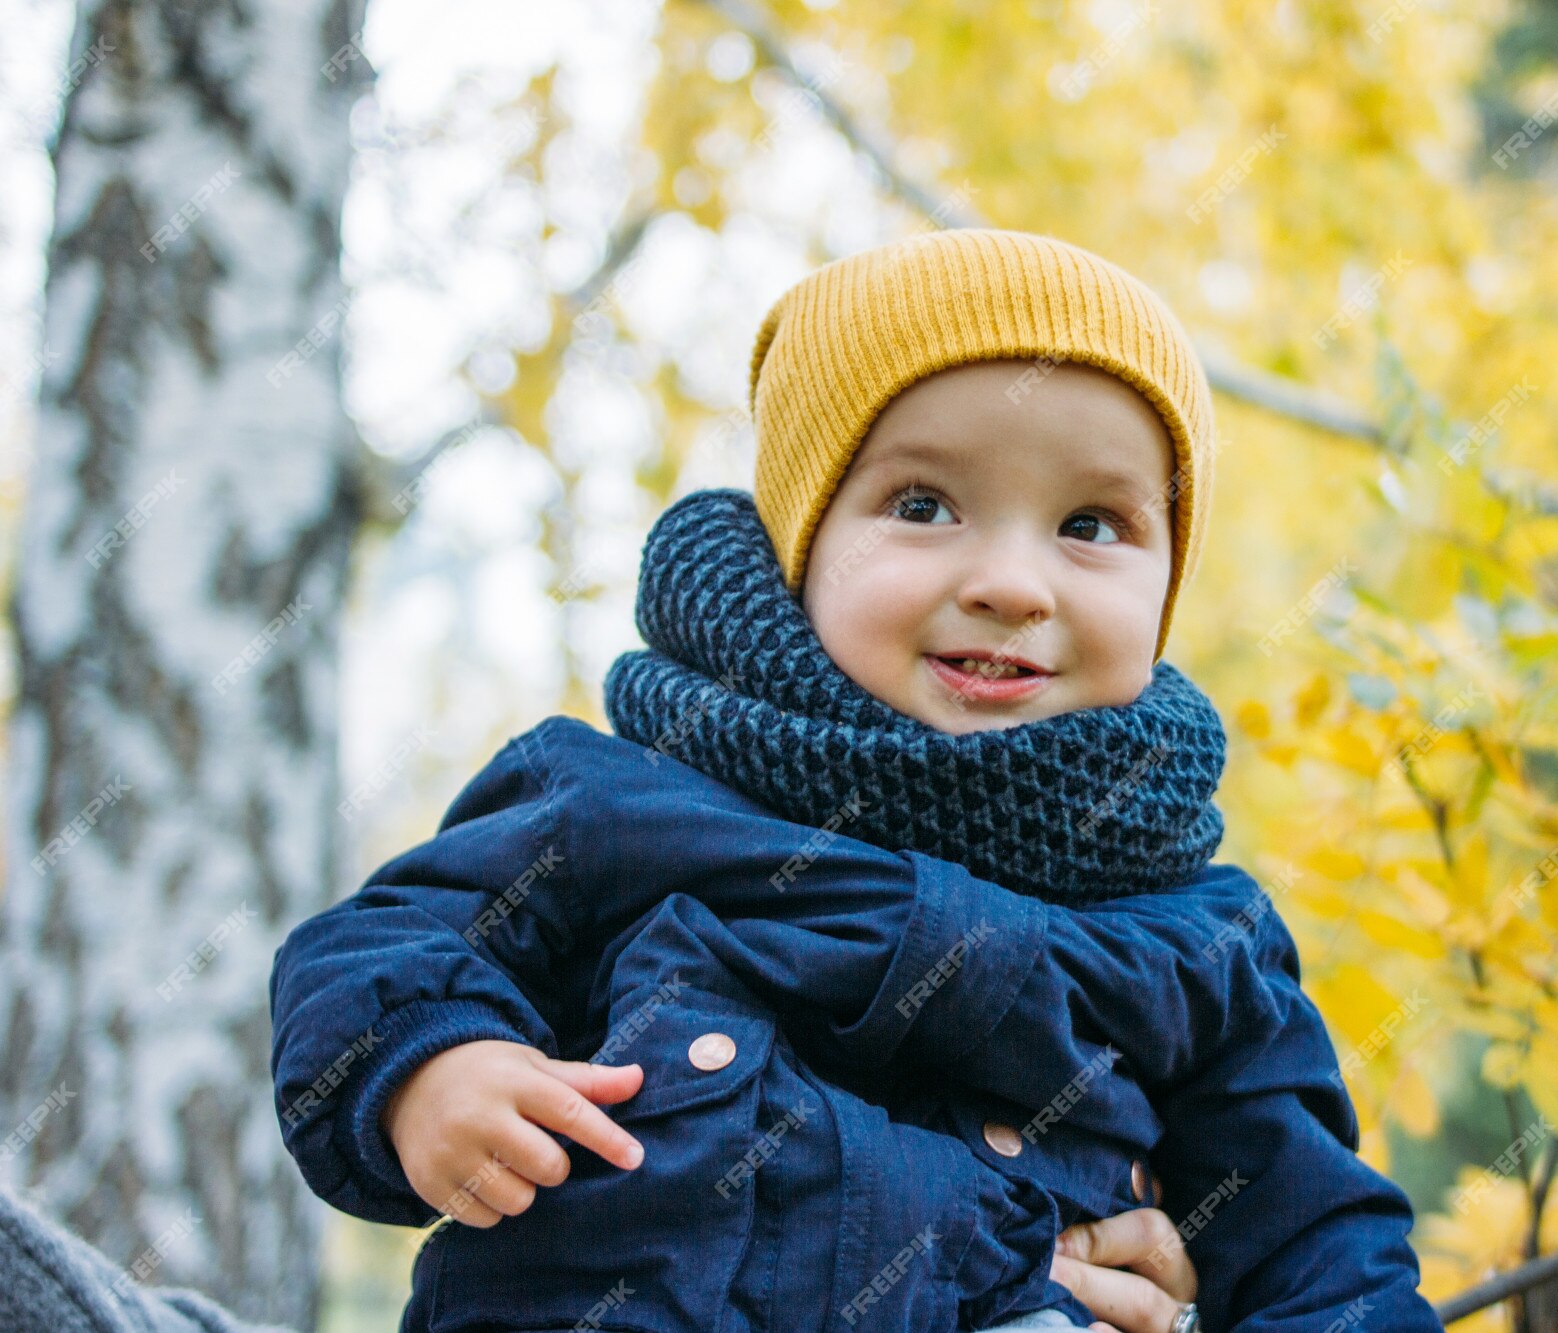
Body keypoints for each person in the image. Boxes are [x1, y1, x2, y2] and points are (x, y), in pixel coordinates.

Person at [269, 228, 1445, 1332]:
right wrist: (432, 1065)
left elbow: (1319, 1246)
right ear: (803, 544)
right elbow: (372, 947)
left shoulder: (1203, 942)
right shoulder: (621, 804)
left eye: (1090, 522)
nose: (1011, 582)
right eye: (922, 505)